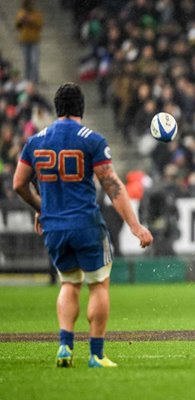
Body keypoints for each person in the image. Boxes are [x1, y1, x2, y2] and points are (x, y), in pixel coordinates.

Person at [12, 82, 153, 368]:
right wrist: (136, 226)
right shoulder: (92, 140)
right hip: (85, 223)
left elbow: (19, 184)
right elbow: (112, 187)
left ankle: (64, 346)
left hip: (54, 228)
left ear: (56, 107)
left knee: (69, 283)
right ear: (82, 108)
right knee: (99, 284)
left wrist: (43, 208)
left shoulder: (36, 140)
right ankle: (96, 354)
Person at [15, 0, 44, 84]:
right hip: (24, 40)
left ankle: (34, 80)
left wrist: (31, 20)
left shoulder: (37, 13)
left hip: (34, 40)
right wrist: (22, 20)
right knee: (26, 61)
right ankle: (26, 80)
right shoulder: (21, 13)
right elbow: (17, 26)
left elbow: (40, 25)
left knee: (34, 61)